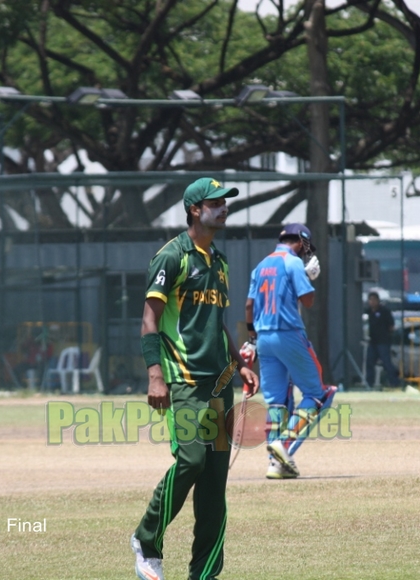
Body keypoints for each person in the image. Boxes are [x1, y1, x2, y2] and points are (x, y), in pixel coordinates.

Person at [131, 177, 259, 580]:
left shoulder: (219, 262)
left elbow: (216, 321)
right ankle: (146, 540)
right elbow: (149, 321)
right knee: (191, 460)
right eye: (215, 202)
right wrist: (155, 376)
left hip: (220, 385)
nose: (223, 207)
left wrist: (239, 362)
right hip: (183, 382)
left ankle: (204, 574)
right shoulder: (172, 257)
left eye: (225, 202)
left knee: (214, 488)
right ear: (194, 210)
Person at [245, 223, 336, 480]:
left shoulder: (260, 265)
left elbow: (249, 306)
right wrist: (308, 277)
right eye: (306, 246)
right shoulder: (293, 261)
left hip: (263, 338)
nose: (307, 252)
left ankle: (275, 464)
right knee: (319, 395)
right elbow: (308, 300)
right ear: (300, 240)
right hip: (289, 335)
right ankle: (284, 445)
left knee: (277, 402)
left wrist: (252, 337)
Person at [365, 291, 402, 388]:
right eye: (370, 300)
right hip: (373, 342)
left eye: (374, 300)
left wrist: (387, 335)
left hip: (383, 342)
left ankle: (394, 382)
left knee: (386, 362)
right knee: (369, 362)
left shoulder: (385, 311)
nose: (372, 302)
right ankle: (369, 383)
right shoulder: (368, 311)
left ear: (378, 300)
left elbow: (391, 326)